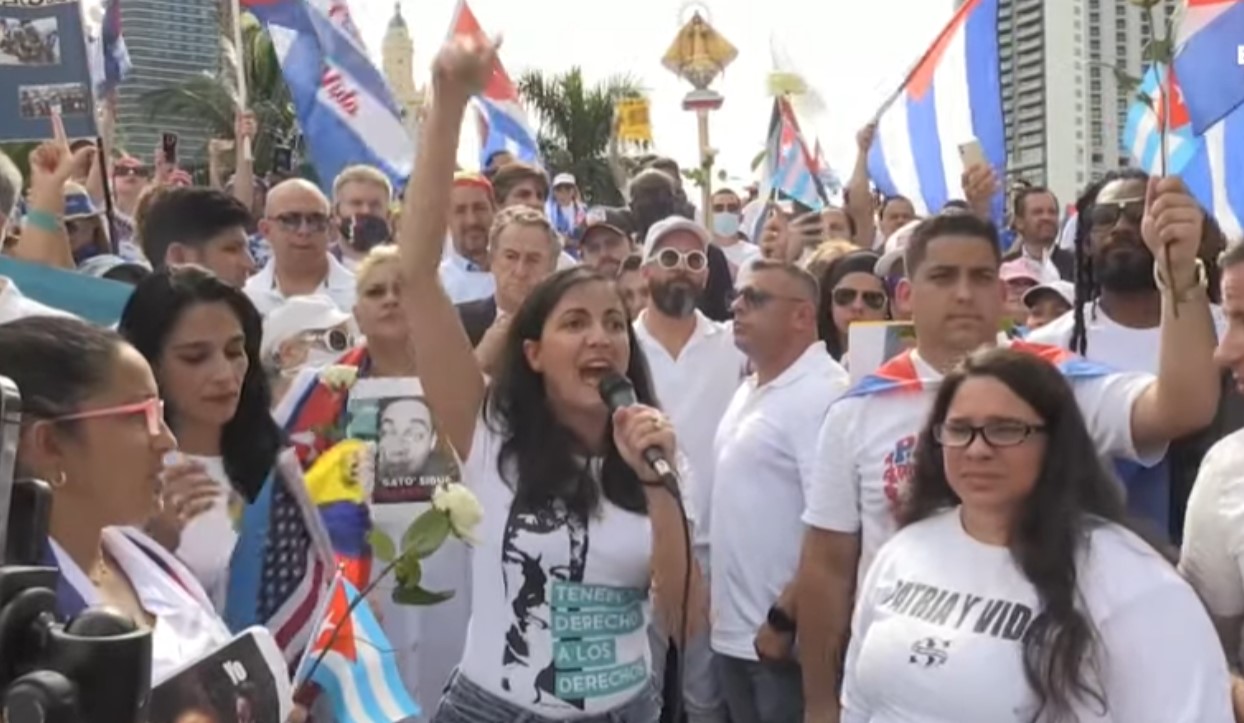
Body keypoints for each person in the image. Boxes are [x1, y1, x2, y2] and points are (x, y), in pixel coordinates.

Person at [795, 207, 1220, 722]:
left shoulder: (1056, 384)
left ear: (1001, 292)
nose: (963, 293)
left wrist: (1180, 282)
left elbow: (1185, 405)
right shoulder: (857, 409)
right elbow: (827, 565)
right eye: (942, 276)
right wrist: (820, 703)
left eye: (980, 277)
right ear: (905, 296)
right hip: (897, 655)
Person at [400, 35, 703, 722]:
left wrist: (658, 484)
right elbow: (416, 276)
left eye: (613, 323)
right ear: (533, 352)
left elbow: (688, 619)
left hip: (627, 706)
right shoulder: (488, 436)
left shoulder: (658, 458)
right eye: (575, 323)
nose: (600, 336)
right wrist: (449, 99)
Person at [842, 348, 1232, 722]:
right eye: (959, 430)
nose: (977, 450)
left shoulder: (1135, 583)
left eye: (1006, 429)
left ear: (1056, 443)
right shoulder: (905, 549)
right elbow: (857, 705)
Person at [0, 316, 231, 680]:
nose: (166, 440)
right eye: (141, 416)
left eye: (160, 413)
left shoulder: (142, 557)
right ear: (48, 444)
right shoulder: (17, 622)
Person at [118, 266, 282, 609]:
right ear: (149, 364)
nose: (224, 374)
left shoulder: (282, 464)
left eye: (235, 352)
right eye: (195, 357)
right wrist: (155, 545)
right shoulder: (123, 475)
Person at [816, 250, 888, 362]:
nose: (857, 306)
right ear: (829, 301)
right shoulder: (804, 356)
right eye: (845, 296)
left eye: (872, 298)